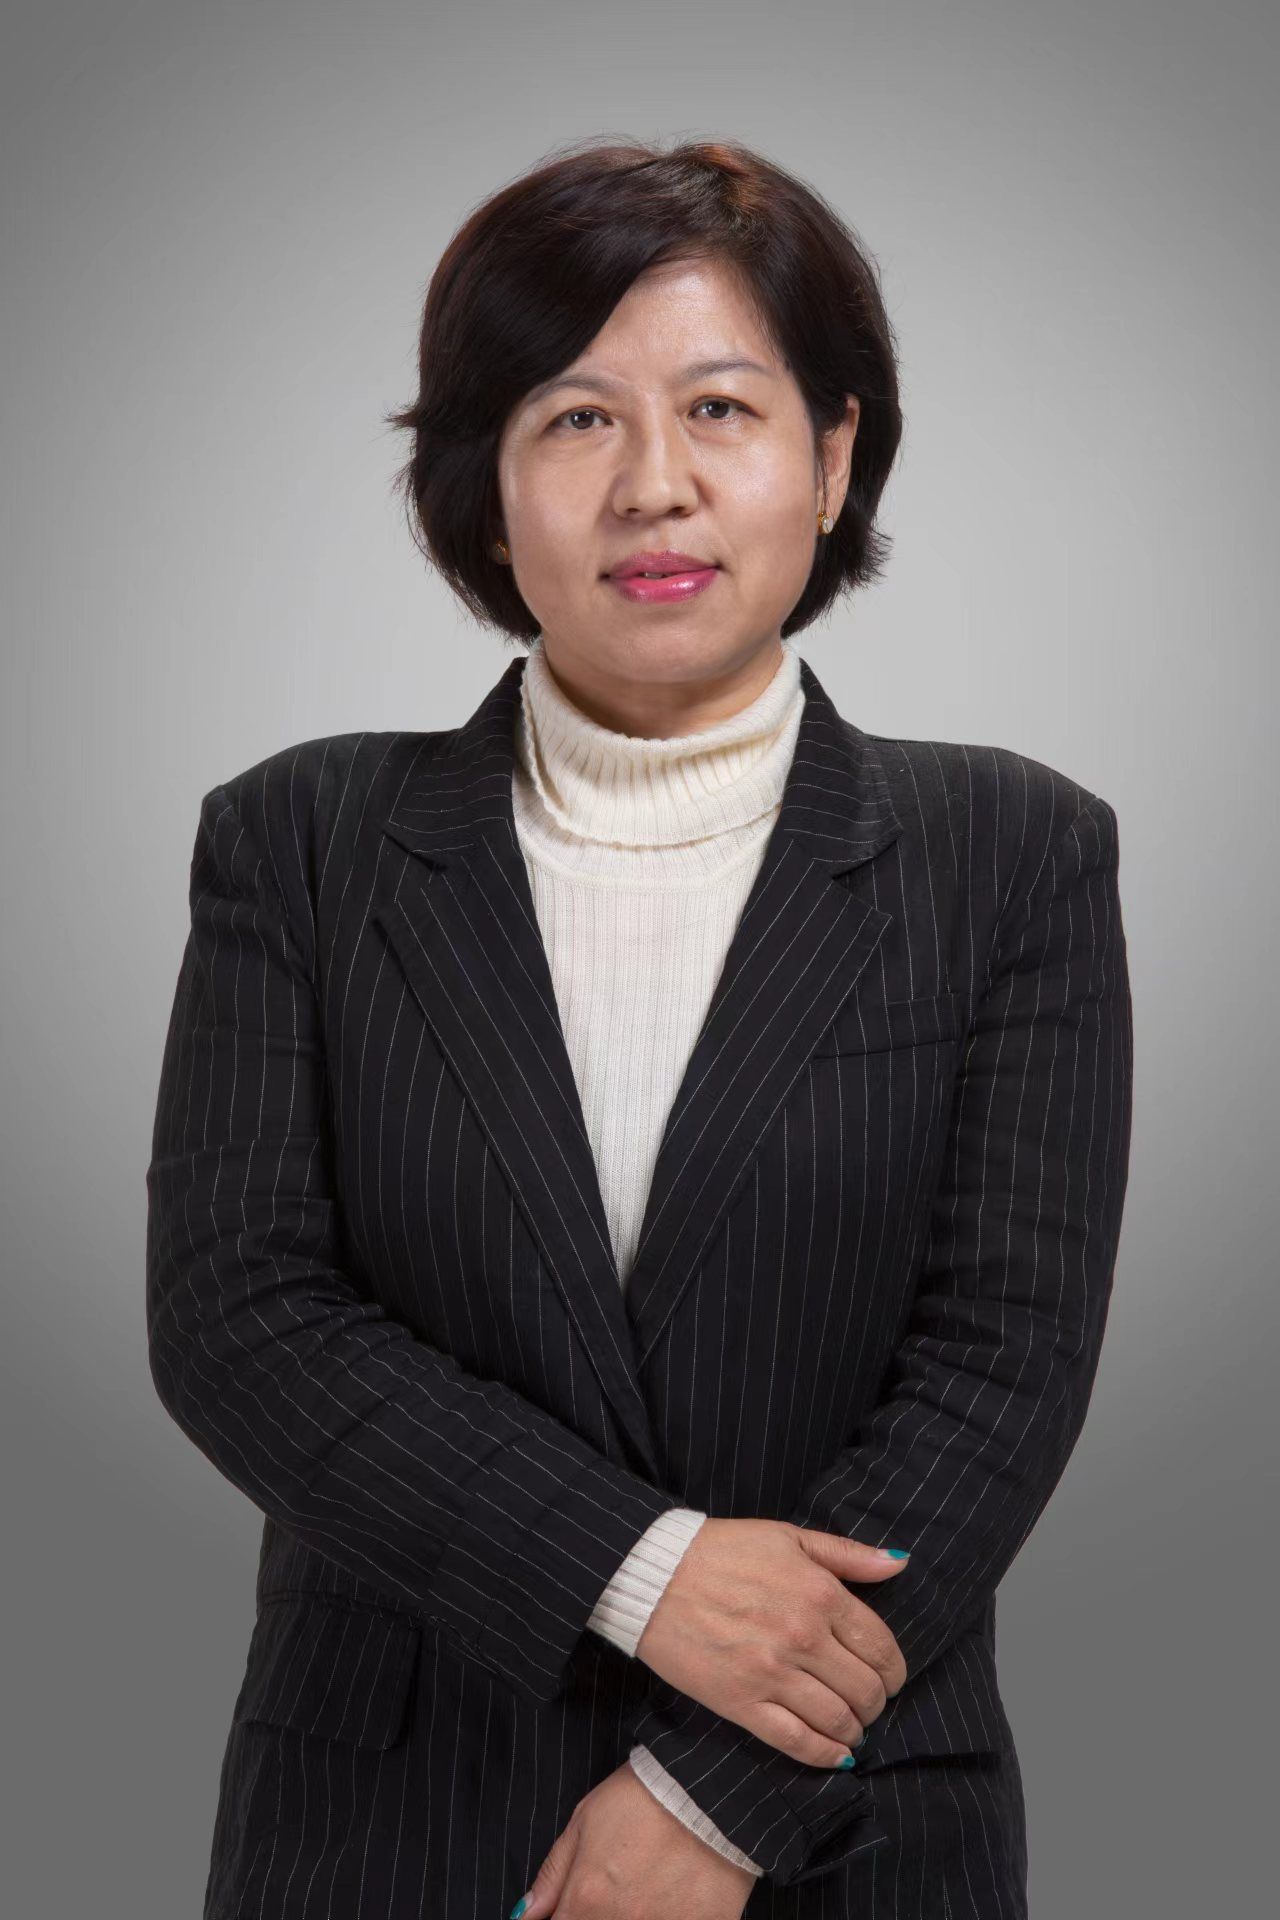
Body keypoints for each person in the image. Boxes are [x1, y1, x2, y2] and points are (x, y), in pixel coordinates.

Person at [145, 135, 1134, 1920]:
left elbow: (1000, 1374)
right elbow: (239, 1320)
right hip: (386, 1819)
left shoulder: (1014, 851)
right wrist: (639, 1570)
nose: (653, 485)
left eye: (723, 411)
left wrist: (714, 1800)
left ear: (832, 459)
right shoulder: (300, 837)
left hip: (853, 1831)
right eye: (577, 418)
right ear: (483, 487)